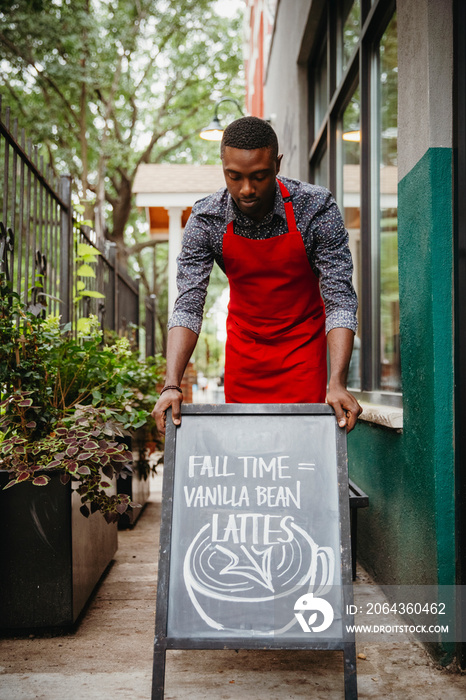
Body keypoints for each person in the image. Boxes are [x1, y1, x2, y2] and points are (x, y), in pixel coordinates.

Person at [152, 116, 362, 434]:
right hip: (244, 353)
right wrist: (172, 385)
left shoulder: (316, 208)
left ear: (277, 165)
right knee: (248, 451)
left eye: (259, 176)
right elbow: (189, 303)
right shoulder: (207, 218)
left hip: (302, 350)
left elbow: (339, 298)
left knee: (302, 447)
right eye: (234, 177)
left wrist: (337, 381)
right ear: (222, 166)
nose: (246, 189)